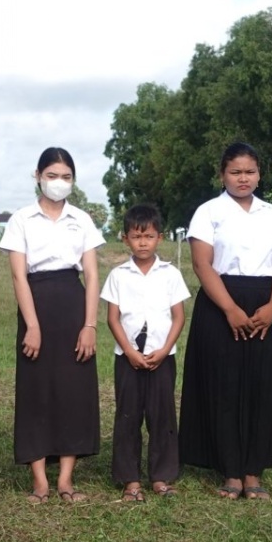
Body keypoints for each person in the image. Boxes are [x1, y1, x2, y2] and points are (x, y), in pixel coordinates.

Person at [179, 142, 272, 500]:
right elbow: (202, 265)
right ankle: (229, 471)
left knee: (261, 386)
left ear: (259, 174)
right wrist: (229, 309)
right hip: (220, 303)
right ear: (222, 175)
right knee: (224, 386)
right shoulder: (209, 212)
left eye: (249, 172)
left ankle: (252, 472)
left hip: (265, 303)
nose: (242, 178)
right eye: (235, 172)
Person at [0, 147, 104, 502]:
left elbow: (90, 273)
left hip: (73, 303)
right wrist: (32, 324)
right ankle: (40, 480)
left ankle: (66, 480)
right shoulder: (21, 220)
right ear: (38, 176)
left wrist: (90, 324)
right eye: (52, 176)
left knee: (74, 389)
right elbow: (18, 275)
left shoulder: (82, 220)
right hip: (36, 303)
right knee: (37, 389)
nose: (59, 183)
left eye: (66, 177)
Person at [101, 204, 189, 502]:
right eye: (136, 237)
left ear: (159, 238)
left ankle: (162, 476)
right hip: (128, 357)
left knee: (162, 414)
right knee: (128, 415)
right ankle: (130, 480)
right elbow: (113, 318)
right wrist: (129, 351)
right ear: (125, 238)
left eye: (148, 236)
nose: (142, 243)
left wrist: (164, 350)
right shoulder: (118, 275)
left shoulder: (170, 274)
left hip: (162, 356)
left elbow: (179, 316)